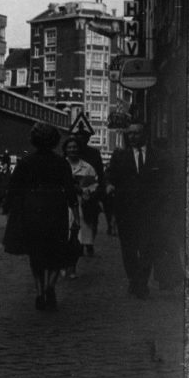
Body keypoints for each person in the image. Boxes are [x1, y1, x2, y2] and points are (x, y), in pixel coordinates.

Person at [3, 123, 77, 311]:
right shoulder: (62, 162)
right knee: (56, 251)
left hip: (32, 207)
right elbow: (70, 190)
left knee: (36, 253)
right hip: (55, 206)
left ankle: (39, 292)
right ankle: (50, 286)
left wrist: (9, 209)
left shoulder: (26, 162)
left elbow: (14, 187)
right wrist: (75, 214)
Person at [106, 122, 159, 299]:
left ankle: (141, 282)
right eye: (130, 134)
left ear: (145, 135)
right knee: (129, 249)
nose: (132, 137)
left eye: (136, 133)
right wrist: (109, 186)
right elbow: (111, 178)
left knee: (147, 248)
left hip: (149, 212)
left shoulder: (156, 156)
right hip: (126, 212)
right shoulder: (120, 156)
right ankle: (133, 278)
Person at [62, 136, 97, 279]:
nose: (72, 150)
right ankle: (64, 264)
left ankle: (73, 266)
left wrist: (88, 190)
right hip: (62, 205)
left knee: (77, 238)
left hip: (80, 206)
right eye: (69, 147)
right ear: (65, 149)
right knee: (64, 236)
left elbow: (94, 184)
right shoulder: (60, 165)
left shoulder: (87, 167)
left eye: (75, 147)